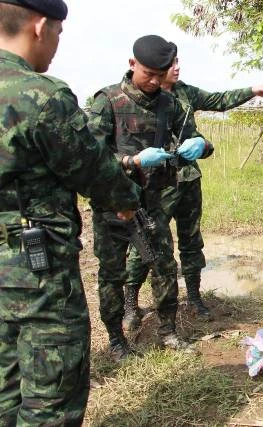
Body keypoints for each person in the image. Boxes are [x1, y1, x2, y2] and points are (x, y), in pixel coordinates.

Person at [0, 0, 142, 423]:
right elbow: (94, 170)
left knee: (5, 386)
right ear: (40, 26)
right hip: (34, 269)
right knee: (51, 396)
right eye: (59, 34)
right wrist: (125, 201)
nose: (57, 45)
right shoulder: (41, 96)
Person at [122, 55, 263, 328]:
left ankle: (193, 296)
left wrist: (252, 91)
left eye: (179, 61)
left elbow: (219, 100)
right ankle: (130, 303)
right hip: (155, 183)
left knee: (191, 240)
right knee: (145, 242)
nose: (176, 68)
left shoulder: (185, 93)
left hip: (188, 177)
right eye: (170, 65)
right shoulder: (136, 99)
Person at [87, 35, 210, 360]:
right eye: (148, 74)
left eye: (161, 74)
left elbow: (191, 139)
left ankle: (168, 331)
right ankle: (117, 340)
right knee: (112, 275)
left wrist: (201, 145)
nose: (155, 81)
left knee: (165, 267)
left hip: (154, 204)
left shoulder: (169, 105)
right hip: (114, 204)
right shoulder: (108, 100)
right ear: (132, 65)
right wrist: (132, 161)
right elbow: (88, 158)